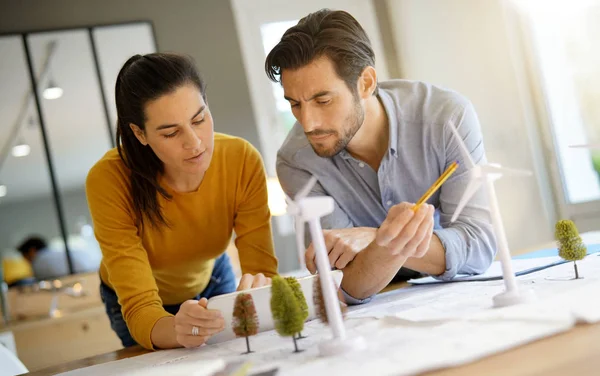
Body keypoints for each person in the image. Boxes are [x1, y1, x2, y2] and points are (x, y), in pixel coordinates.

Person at [267, 9, 497, 304]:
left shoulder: (446, 118)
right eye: (295, 104)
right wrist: (387, 242)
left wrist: (375, 241)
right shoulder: (296, 161)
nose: (308, 123)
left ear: (366, 82)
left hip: (455, 295)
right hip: (375, 312)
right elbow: (342, 282)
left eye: (323, 100)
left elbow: (478, 246)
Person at [86, 53, 277, 350]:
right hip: (136, 305)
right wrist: (176, 328)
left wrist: (260, 291)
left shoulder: (242, 159)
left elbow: (262, 273)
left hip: (211, 280)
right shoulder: (109, 179)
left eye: (199, 119)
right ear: (140, 134)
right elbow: (140, 308)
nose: (195, 142)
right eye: (171, 132)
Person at [17, 236, 97, 280]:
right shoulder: (53, 253)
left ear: (32, 251)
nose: (25, 260)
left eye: (24, 256)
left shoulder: (38, 262)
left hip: (84, 278)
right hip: (93, 273)